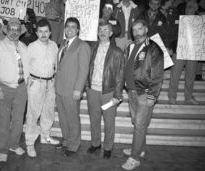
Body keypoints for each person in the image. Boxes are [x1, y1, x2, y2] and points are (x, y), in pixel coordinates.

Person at [121, 19, 164, 170]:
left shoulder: (154, 48)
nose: (137, 33)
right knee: (137, 122)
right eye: (134, 30)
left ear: (146, 29)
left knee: (139, 125)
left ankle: (135, 158)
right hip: (132, 91)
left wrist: (152, 96)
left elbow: (158, 75)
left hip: (144, 93)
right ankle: (140, 149)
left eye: (140, 29)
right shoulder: (130, 46)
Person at [0, 18, 29, 162]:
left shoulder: (23, 47)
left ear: (20, 32)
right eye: (12, 29)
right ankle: (3, 150)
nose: (14, 32)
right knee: (4, 121)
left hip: (22, 88)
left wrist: (28, 84)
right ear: (7, 30)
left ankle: (14, 144)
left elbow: (27, 67)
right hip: (4, 88)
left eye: (17, 29)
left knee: (18, 120)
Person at [86, 21, 125, 159]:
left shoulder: (117, 51)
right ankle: (96, 144)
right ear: (97, 32)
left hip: (108, 92)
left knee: (109, 122)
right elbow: (87, 68)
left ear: (111, 33)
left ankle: (108, 147)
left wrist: (117, 95)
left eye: (105, 30)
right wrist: (87, 87)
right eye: (100, 30)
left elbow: (120, 75)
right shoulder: (92, 48)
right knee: (94, 119)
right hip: (93, 91)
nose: (102, 32)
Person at [55, 17, 91, 157]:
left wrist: (78, 89)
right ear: (64, 29)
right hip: (60, 88)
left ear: (78, 30)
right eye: (67, 26)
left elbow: (84, 70)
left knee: (72, 117)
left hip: (72, 89)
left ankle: (74, 144)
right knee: (63, 117)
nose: (69, 29)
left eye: (73, 27)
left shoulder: (82, 46)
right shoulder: (63, 44)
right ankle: (66, 140)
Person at [25, 19, 59, 158]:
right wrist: (29, 84)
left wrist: (55, 80)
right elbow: (26, 67)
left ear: (50, 32)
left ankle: (45, 136)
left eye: (46, 31)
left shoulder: (54, 46)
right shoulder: (31, 47)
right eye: (40, 31)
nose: (43, 34)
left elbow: (56, 65)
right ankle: (30, 143)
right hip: (36, 82)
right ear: (36, 32)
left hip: (50, 82)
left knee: (48, 111)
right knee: (33, 114)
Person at [168, 0, 201, 105]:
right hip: (179, 49)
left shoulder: (200, 20)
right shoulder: (178, 18)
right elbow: (171, 32)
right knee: (175, 74)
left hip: (193, 50)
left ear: (196, 8)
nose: (189, 9)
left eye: (191, 7)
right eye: (188, 6)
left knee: (191, 75)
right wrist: (172, 46)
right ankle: (172, 96)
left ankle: (188, 97)